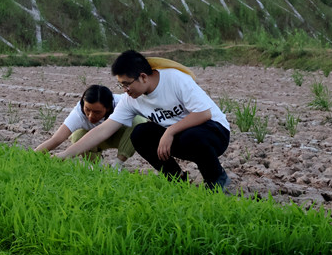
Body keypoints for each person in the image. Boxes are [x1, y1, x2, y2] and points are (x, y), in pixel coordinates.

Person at [58, 50, 231, 190]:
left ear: (143, 77)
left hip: (214, 133)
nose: (125, 90)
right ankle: (177, 180)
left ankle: (216, 178)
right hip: (180, 137)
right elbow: (103, 130)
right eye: (121, 85)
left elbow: (203, 114)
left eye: (127, 84)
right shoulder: (131, 99)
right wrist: (64, 155)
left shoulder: (174, 79)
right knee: (140, 134)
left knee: (190, 136)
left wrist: (170, 132)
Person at [35, 84, 146, 170]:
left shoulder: (122, 102)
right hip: (96, 140)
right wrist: (32, 156)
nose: (91, 116)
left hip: (123, 138)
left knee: (139, 122)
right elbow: (57, 138)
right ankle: (97, 168)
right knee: (78, 135)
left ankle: (116, 167)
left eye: (97, 112)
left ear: (108, 108)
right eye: (87, 109)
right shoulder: (78, 113)